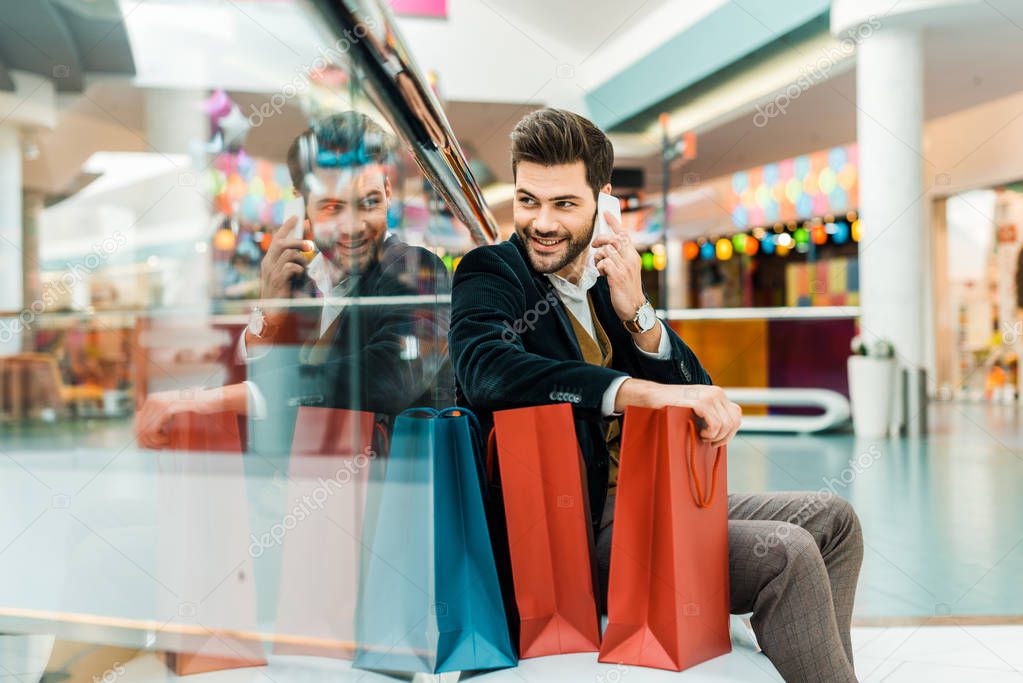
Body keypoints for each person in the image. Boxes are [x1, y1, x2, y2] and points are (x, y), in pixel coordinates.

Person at [448, 108, 863, 683]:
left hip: (647, 499)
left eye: (564, 204)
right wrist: (631, 391)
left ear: (604, 200)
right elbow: (484, 369)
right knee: (787, 553)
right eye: (527, 201)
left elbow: (694, 396)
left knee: (834, 520)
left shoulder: (607, 282)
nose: (541, 222)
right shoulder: (491, 273)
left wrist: (639, 316)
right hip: (572, 532)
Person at [137, 112, 451, 452]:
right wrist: (268, 316)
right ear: (303, 203)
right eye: (333, 207)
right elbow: (271, 382)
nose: (354, 226)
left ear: (388, 191)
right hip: (308, 485)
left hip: (398, 489)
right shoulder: (300, 280)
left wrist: (211, 400)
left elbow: (389, 376)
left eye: (369, 202)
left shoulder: (417, 270)